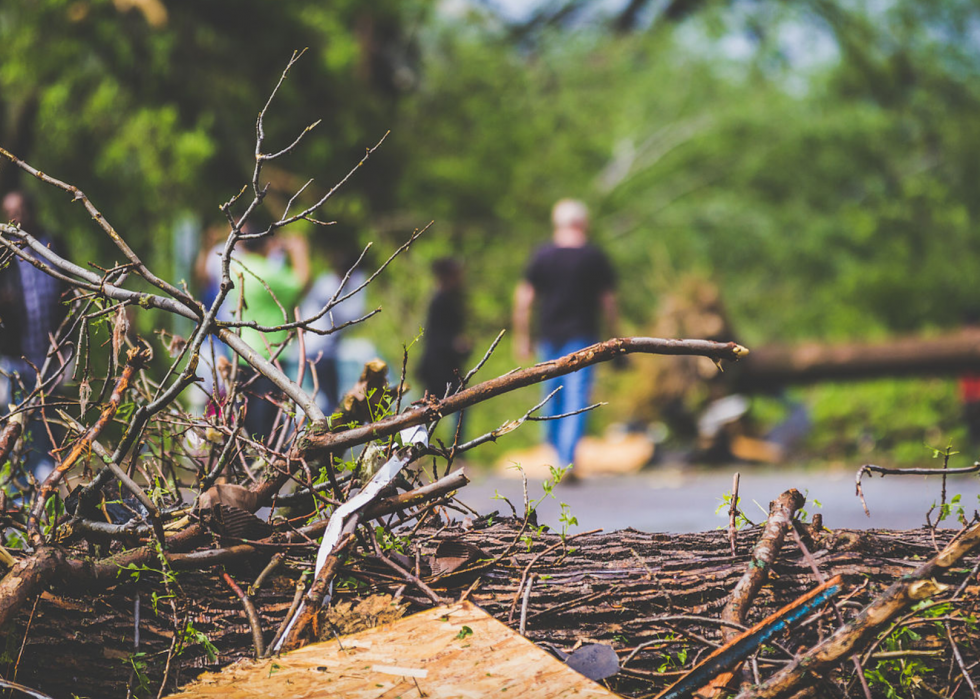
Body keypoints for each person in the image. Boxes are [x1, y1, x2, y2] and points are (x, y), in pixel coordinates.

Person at [513, 199, 619, 480]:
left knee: (550, 397)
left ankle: (557, 455)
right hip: (583, 338)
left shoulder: (543, 255)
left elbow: (524, 299)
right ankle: (566, 459)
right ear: (583, 223)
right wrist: (615, 336)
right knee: (576, 398)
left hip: (549, 337)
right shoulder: (593, 256)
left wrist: (523, 337)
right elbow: (608, 301)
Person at [0, 190, 69, 479]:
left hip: (50, 357)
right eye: (11, 212)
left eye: (22, 209)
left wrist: (67, 347)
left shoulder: (53, 244)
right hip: (14, 358)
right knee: (15, 427)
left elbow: (69, 294)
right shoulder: (4, 250)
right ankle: (15, 495)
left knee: (47, 430)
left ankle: (45, 490)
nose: (17, 217)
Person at [234, 232, 310, 441]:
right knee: (268, 422)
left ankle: (246, 466)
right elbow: (302, 281)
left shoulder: (236, 267)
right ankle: (266, 466)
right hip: (271, 354)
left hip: (241, 351)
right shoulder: (269, 273)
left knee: (245, 418)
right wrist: (298, 250)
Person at [299, 246, 367, 416]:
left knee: (330, 397)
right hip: (317, 350)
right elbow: (349, 315)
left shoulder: (329, 283)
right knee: (327, 400)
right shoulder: (327, 285)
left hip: (325, 349)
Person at [419, 258, 471, 433]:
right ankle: (415, 447)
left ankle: (456, 450)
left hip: (448, 365)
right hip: (438, 366)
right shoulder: (440, 300)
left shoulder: (449, 298)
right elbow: (436, 337)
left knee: (459, 406)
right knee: (428, 410)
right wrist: (456, 345)